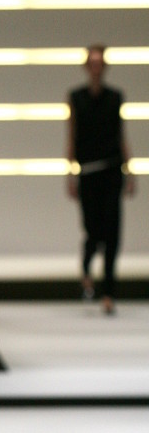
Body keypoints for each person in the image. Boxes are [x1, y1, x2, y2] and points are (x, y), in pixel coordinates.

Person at [67, 44, 135, 314]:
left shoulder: (115, 97)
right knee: (93, 230)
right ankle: (86, 268)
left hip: (112, 170)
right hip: (88, 172)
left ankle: (108, 292)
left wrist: (130, 171)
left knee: (112, 233)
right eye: (92, 63)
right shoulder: (76, 97)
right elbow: (72, 135)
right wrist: (70, 173)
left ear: (104, 67)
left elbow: (121, 134)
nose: (96, 68)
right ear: (87, 67)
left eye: (100, 63)